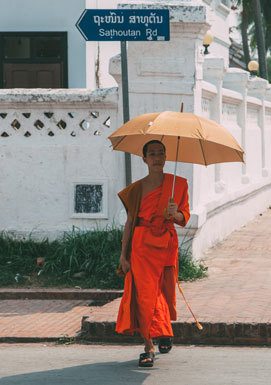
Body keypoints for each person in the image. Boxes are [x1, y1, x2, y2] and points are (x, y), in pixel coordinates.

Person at [116, 140, 190, 367]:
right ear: (144, 159)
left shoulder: (178, 184)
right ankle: (148, 346)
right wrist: (123, 253)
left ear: (166, 157)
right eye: (152, 154)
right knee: (145, 294)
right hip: (141, 245)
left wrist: (175, 213)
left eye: (161, 153)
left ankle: (164, 328)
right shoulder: (137, 189)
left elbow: (184, 217)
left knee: (164, 290)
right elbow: (130, 222)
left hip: (166, 244)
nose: (157, 158)